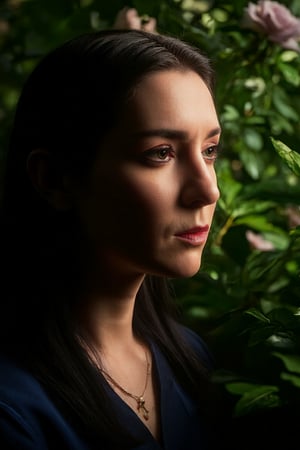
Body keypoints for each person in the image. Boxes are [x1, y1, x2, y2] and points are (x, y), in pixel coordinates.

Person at [0, 27, 222, 450]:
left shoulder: (191, 359)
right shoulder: (13, 406)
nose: (208, 189)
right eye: (161, 153)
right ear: (55, 179)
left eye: (209, 150)